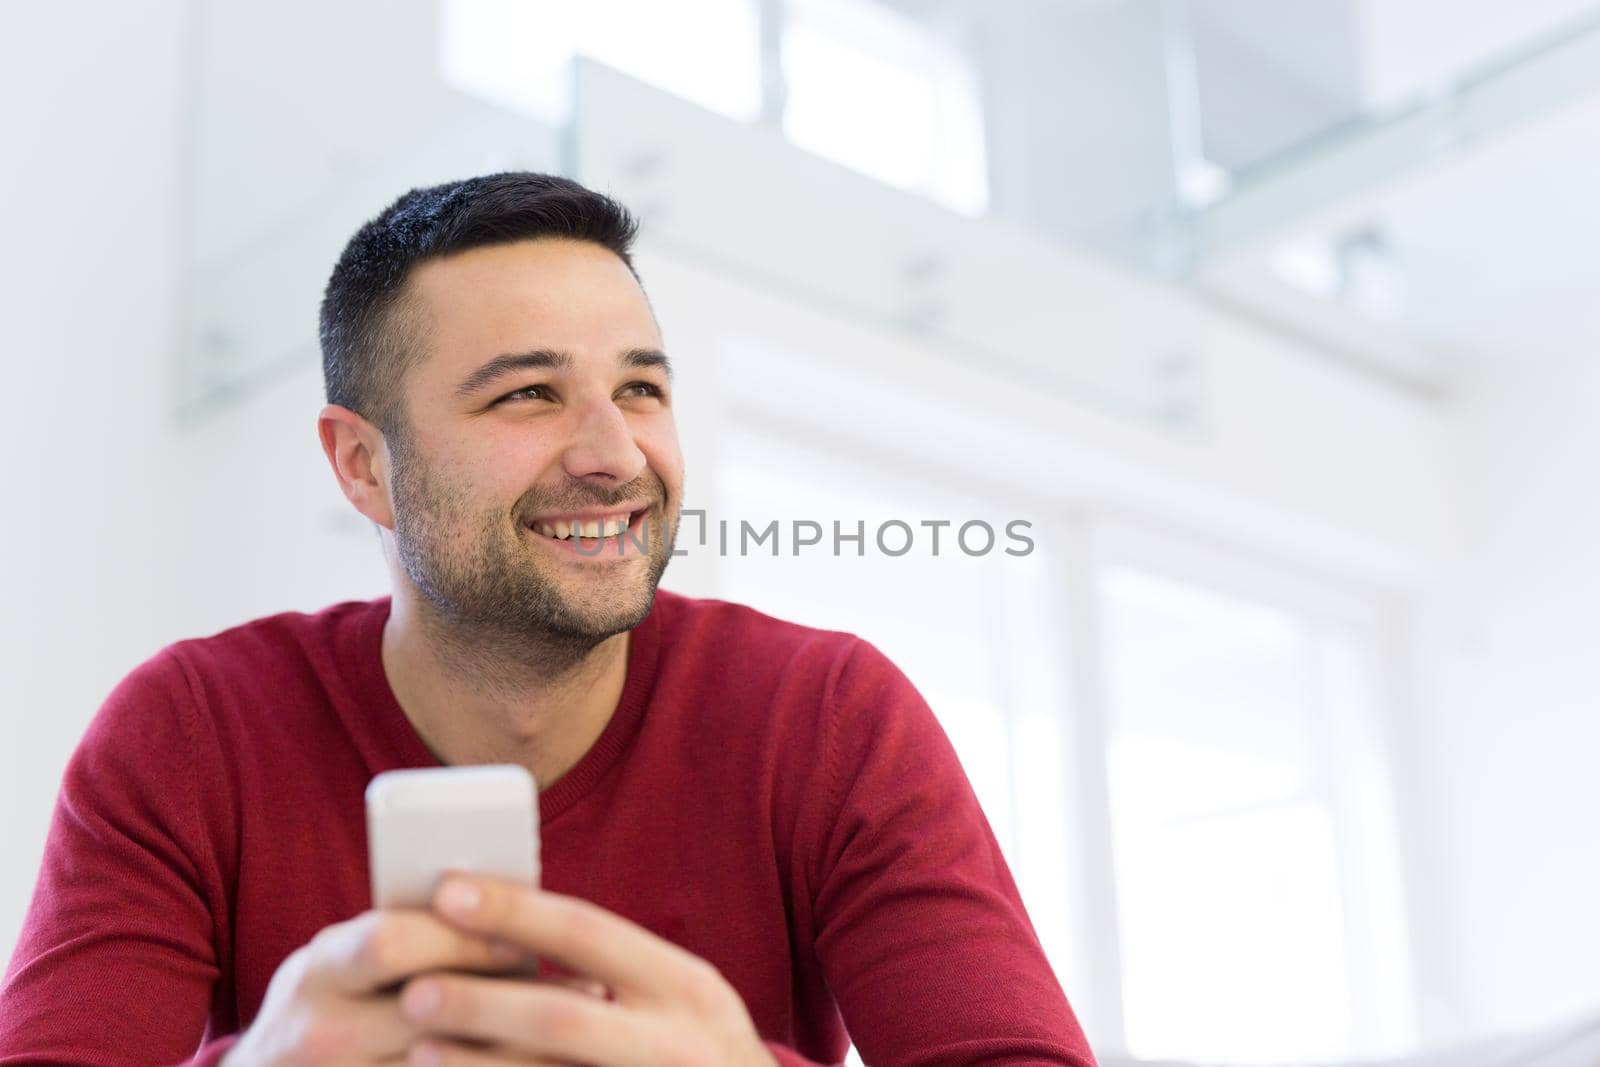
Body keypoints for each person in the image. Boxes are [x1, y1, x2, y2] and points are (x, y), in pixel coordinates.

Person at [0, 172, 1097, 1067]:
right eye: (527, 393)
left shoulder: (828, 715)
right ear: (362, 464)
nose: (615, 454)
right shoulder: (190, 729)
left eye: (640, 389)